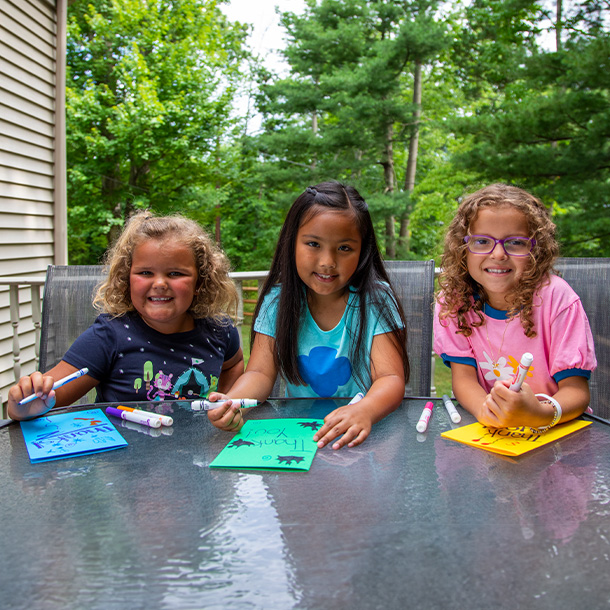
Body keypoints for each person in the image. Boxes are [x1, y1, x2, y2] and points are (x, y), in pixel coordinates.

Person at [208, 181, 409, 450]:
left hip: (362, 439)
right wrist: (234, 402)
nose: (328, 261)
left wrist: (366, 410)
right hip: (298, 440)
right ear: (292, 243)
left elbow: (390, 378)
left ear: (363, 251)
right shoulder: (277, 302)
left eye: (345, 248)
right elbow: (259, 373)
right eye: (313, 244)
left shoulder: (375, 300)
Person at [8, 211, 244, 420]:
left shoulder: (219, 329)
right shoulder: (109, 335)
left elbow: (234, 364)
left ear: (200, 281)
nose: (160, 283)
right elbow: (46, 397)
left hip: (197, 460)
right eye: (145, 272)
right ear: (126, 278)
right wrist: (26, 404)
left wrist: (224, 404)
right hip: (124, 464)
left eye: (174, 273)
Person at [434, 183, 596, 431]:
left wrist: (538, 414)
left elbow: (576, 391)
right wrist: (486, 411)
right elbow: (464, 380)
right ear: (462, 248)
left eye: (516, 243)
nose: (498, 254)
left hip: (557, 429)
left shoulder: (557, 299)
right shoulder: (453, 302)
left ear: (536, 250)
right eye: (481, 241)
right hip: (495, 433)